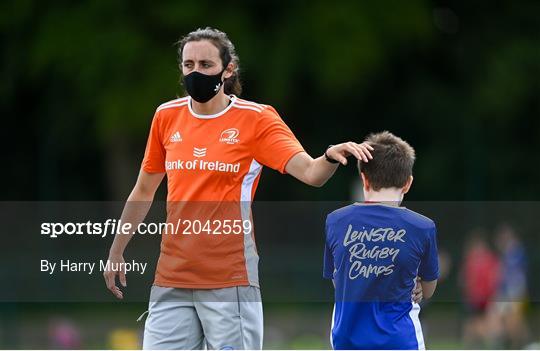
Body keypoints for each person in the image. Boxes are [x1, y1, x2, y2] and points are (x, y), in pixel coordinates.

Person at [102, 27, 374, 350]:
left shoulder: (256, 119)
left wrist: (328, 156)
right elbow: (143, 190)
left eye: (205, 65)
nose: (196, 72)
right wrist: (117, 250)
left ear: (227, 69)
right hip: (171, 279)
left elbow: (311, 172)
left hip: (229, 280)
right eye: (188, 65)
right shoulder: (166, 117)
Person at [323, 131, 439, 350]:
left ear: (364, 180)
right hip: (401, 341)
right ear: (407, 183)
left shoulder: (335, 221)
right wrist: (421, 288)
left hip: (346, 340)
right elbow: (429, 289)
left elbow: (338, 281)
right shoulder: (422, 227)